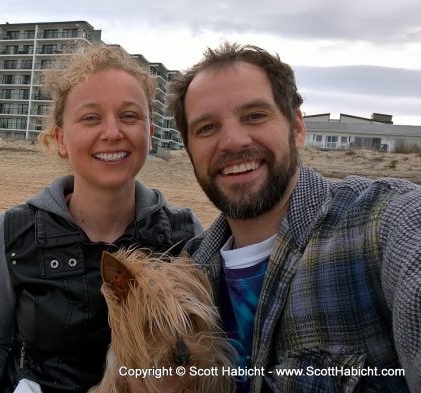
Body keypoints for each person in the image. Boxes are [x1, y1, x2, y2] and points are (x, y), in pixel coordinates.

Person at [168, 42, 420, 393]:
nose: (232, 141)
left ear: (297, 128)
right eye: (207, 128)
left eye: (255, 116)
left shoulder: (385, 223)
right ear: (190, 149)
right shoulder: (186, 275)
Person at [0, 44, 203, 393]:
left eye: (130, 116)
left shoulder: (184, 235)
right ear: (60, 139)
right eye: (90, 118)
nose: (112, 132)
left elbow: (204, 347)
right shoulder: (15, 233)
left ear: (149, 133)